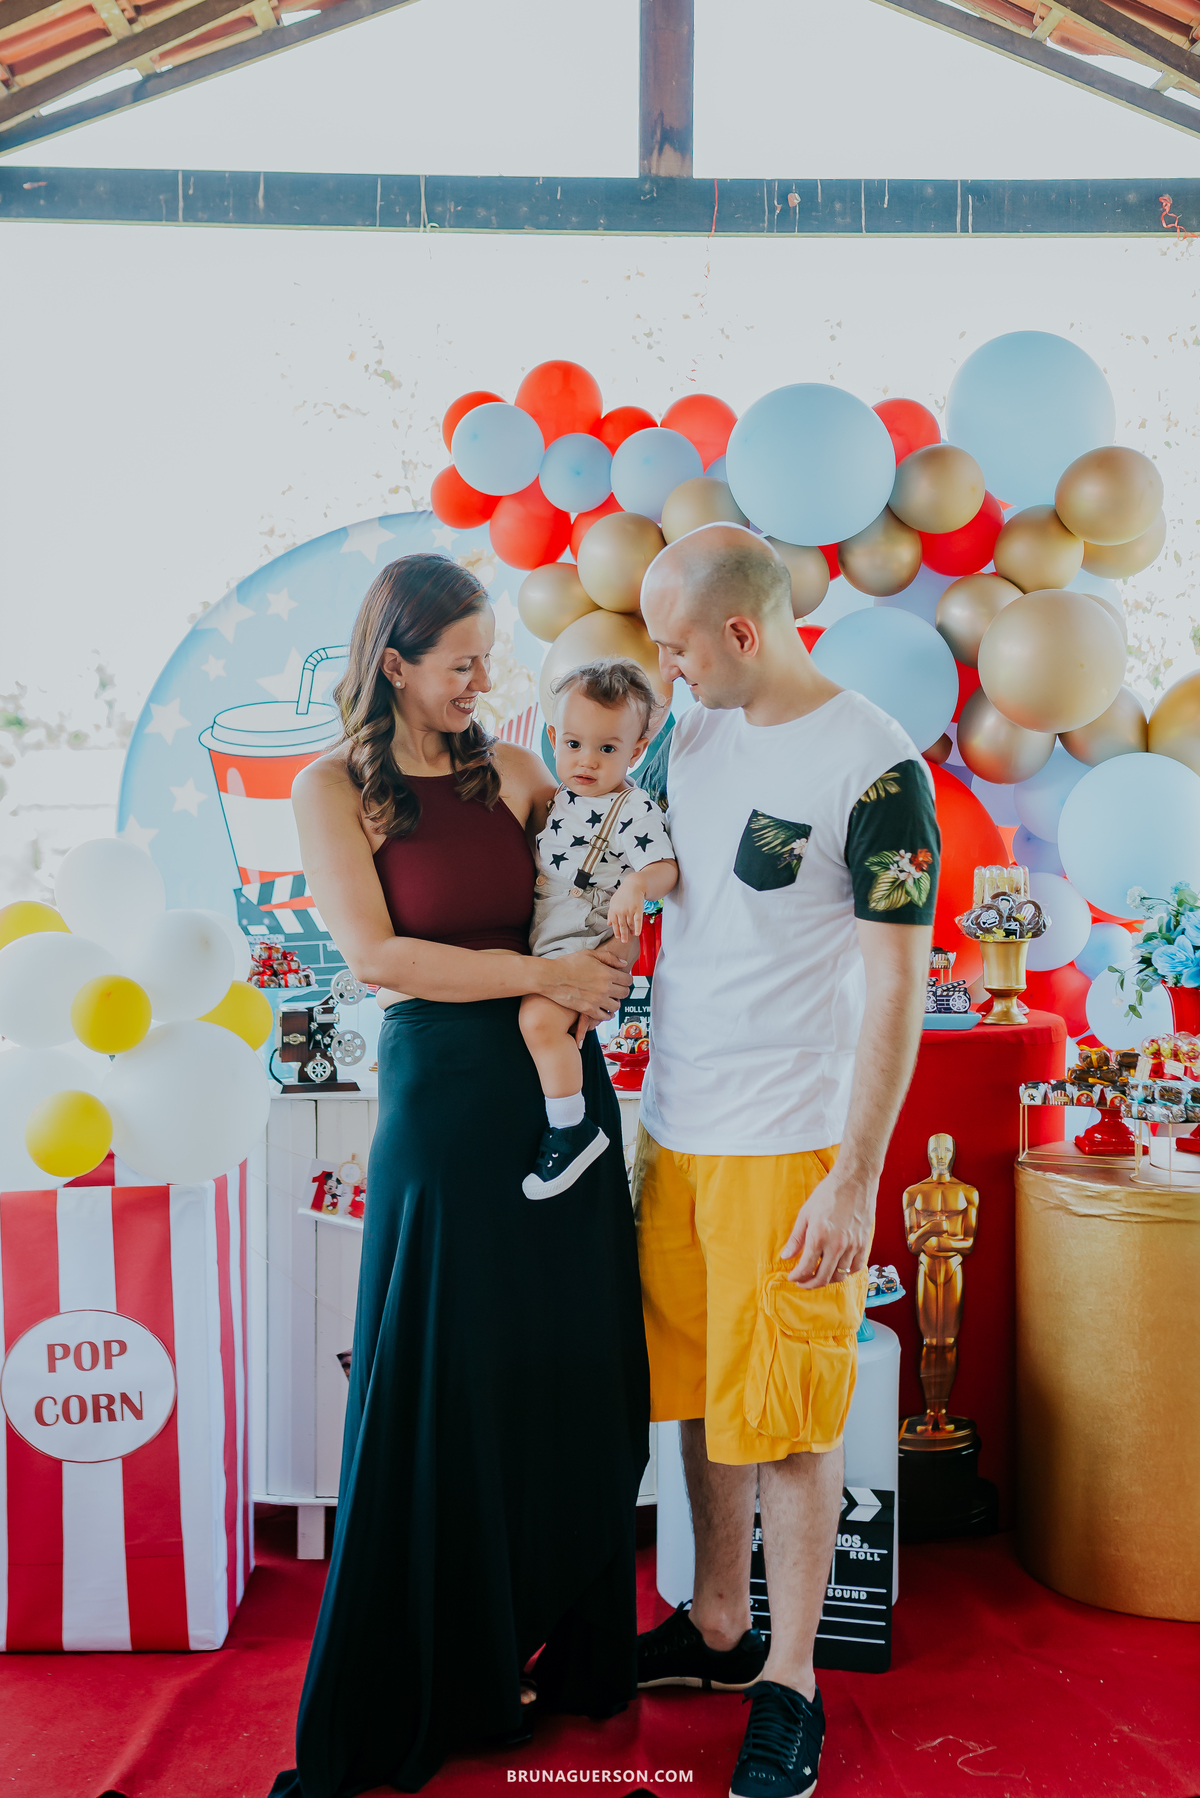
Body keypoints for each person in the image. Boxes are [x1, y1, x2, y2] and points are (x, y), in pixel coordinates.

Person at [271, 553, 650, 1798]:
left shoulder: (525, 773)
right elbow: (380, 957)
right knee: (444, 1374)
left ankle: (564, 1640)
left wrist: (612, 939)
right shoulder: (333, 789)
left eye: (492, 656)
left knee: (569, 1358)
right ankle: (445, 1666)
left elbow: (597, 883)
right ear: (394, 663)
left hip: (558, 1097)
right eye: (464, 662)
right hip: (443, 1100)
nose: (489, 682)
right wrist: (543, 979)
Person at [633, 525, 939, 1798]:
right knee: (706, 1394)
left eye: (678, 644)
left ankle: (792, 1681)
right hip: (676, 1128)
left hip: (791, 1139)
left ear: (743, 634)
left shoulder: (876, 767)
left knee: (798, 1417)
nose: (664, 666)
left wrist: (854, 1174)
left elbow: (898, 984)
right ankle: (718, 1626)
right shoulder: (687, 731)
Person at [520, 657, 677, 1200]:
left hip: (585, 936)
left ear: (636, 752)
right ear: (552, 737)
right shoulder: (555, 801)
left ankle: (571, 1128)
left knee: (539, 1022)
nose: (587, 761)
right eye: (573, 744)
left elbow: (665, 868)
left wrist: (636, 885)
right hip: (546, 935)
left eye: (607, 749)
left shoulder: (632, 807)